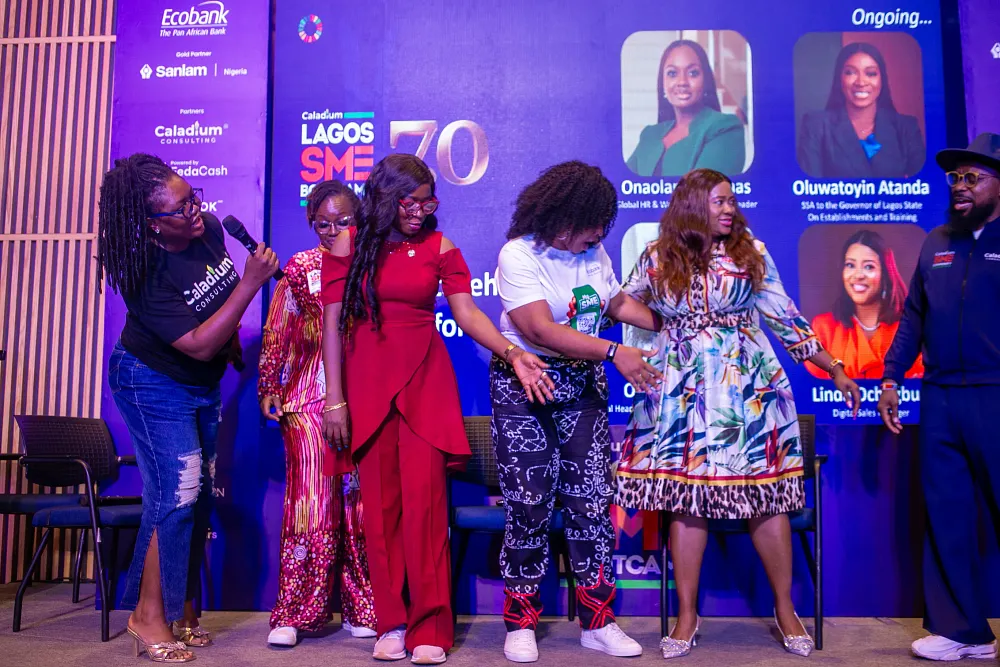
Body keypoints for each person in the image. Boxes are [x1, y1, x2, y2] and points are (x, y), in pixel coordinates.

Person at [613, 168, 860, 659]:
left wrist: (833, 367)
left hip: (748, 391)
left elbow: (786, 317)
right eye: (719, 201)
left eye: (731, 201)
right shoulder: (659, 258)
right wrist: (664, 324)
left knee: (767, 500)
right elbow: (619, 302)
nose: (730, 209)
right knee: (686, 502)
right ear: (693, 205)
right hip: (682, 392)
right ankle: (687, 616)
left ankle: (786, 610)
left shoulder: (752, 253)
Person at [320, 154, 554, 665]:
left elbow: (467, 313)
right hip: (366, 388)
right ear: (385, 197)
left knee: (426, 512)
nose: (420, 212)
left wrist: (512, 353)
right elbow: (333, 325)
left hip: (424, 385)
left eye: (428, 203)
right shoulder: (348, 244)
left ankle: (430, 627)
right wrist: (334, 398)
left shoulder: (441, 247)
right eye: (411, 202)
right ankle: (391, 622)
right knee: (380, 513)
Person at [97, 153, 279, 662]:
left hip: (201, 382)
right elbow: (197, 343)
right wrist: (250, 283)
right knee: (175, 493)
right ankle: (146, 616)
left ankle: (181, 609)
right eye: (180, 209)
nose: (195, 211)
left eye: (192, 197)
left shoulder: (210, 229)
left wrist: (231, 344)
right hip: (150, 381)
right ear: (152, 224)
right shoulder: (144, 272)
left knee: (198, 498)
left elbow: (212, 311)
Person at [492, 161, 661, 663]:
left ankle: (598, 621)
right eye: (591, 227)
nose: (597, 236)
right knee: (529, 505)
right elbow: (539, 330)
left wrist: (672, 321)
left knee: (591, 504)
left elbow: (616, 304)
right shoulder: (519, 254)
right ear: (563, 218)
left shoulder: (592, 252)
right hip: (527, 384)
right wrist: (615, 352)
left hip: (582, 387)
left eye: (601, 228)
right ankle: (521, 622)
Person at [879, 133, 1000, 662]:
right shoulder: (937, 243)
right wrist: (890, 378)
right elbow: (913, 317)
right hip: (941, 399)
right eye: (955, 177)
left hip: (996, 395)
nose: (960, 186)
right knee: (948, 515)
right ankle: (964, 632)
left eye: (973, 177)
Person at [258, 180, 377, 647]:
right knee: (311, 502)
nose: (333, 231)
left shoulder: (371, 263)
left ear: (359, 219)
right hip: (308, 396)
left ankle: (362, 605)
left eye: (343, 222)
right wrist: (269, 383)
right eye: (323, 224)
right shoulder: (301, 267)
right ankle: (294, 612)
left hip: (363, 394)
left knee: (359, 505)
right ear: (312, 223)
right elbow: (279, 327)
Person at [805, 229, 924, 379]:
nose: (858, 275)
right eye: (850, 265)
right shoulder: (823, 328)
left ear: (885, 273)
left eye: (868, 267)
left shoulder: (910, 327)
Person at [798, 42, 925, 179]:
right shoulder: (815, 127)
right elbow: (809, 188)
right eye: (850, 72)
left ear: (882, 79)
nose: (861, 82)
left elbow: (925, 185)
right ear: (839, 78)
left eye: (870, 73)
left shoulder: (906, 127)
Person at [627, 39, 745, 177]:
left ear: (705, 80)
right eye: (672, 73)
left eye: (693, 73)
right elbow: (620, 182)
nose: (682, 82)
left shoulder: (725, 128)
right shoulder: (649, 135)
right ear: (663, 82)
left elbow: (702, 189)